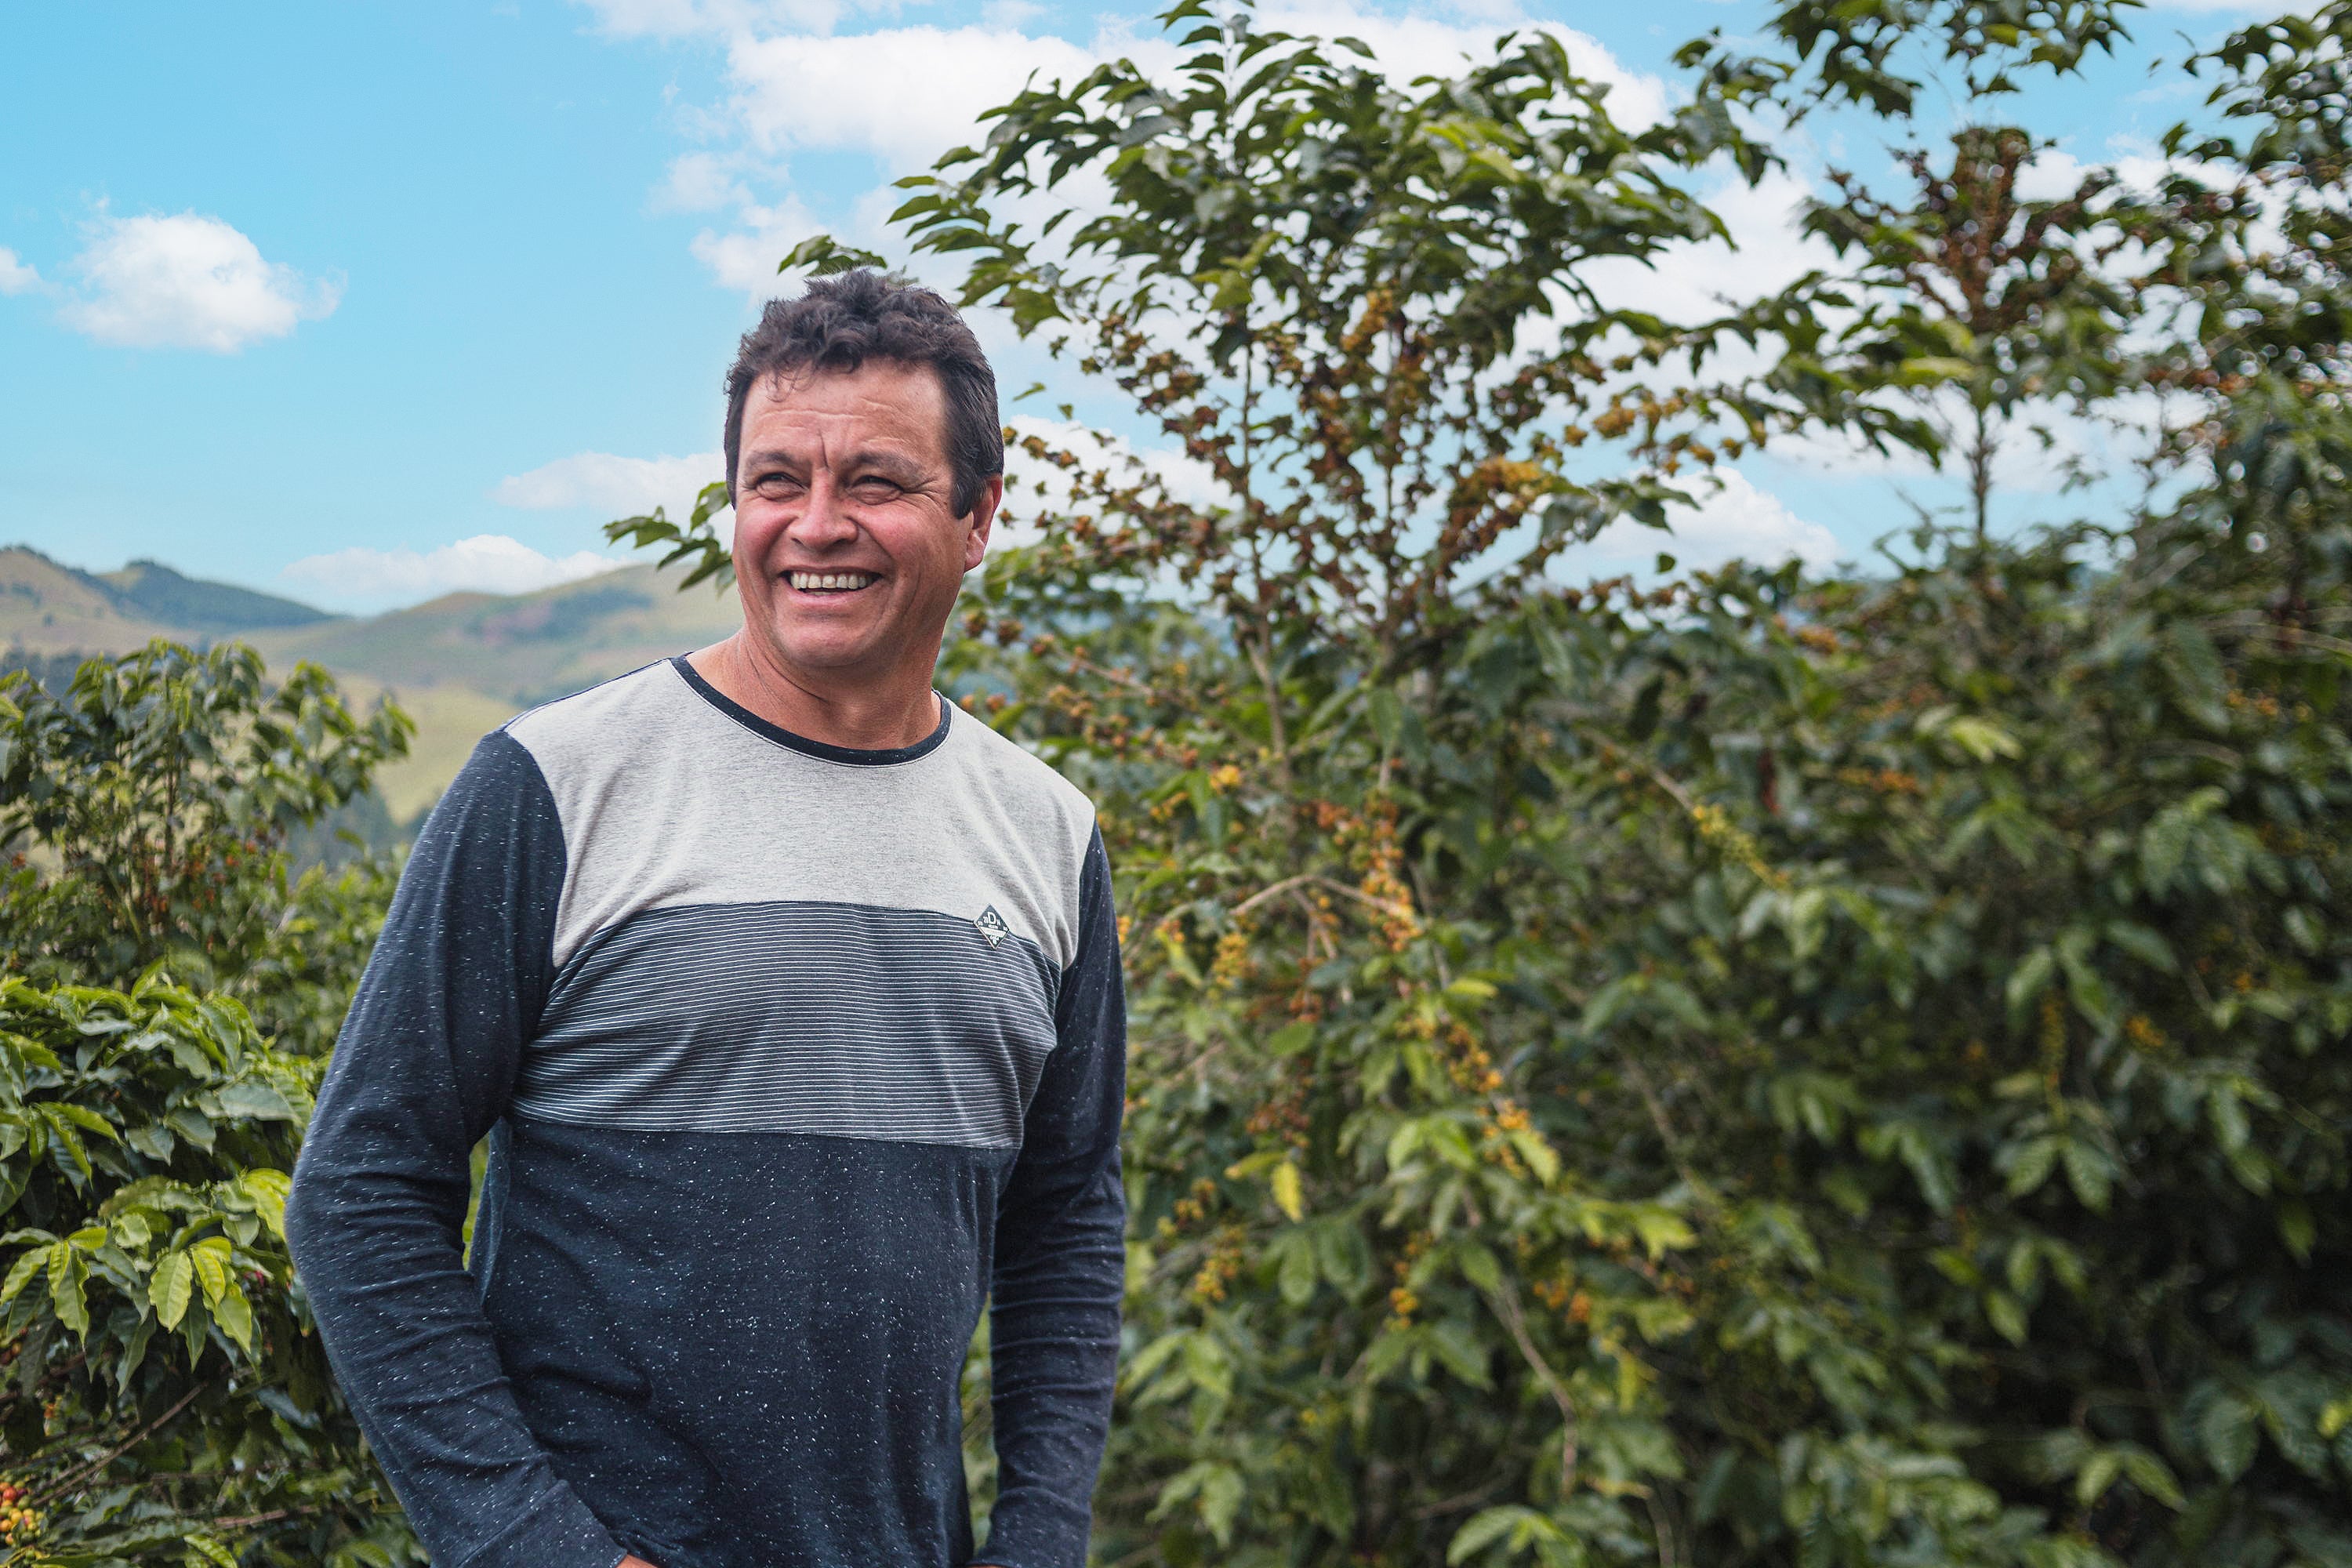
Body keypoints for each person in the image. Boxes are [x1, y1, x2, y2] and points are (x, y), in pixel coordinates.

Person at [285, 270, 1127, 1568]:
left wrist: (1040, 1541)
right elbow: (360, 1189)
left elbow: (1066, 1213)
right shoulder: (556, 783)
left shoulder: (1049, 833)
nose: (816, 525)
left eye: (878, 483)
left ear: (977, 516)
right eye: (776, 480)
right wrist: (532, 1545)